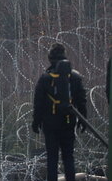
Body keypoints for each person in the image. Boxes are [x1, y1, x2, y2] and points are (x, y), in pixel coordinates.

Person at [32, 43, 87, 181]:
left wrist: (36, 121)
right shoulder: (75, 77)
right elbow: (81, 100)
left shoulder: (45, 78)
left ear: (50, 59)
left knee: (52, 157)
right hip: (68, 121)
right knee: (68, 157)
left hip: (50, 123)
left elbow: (38, 103)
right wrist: (83, 118)